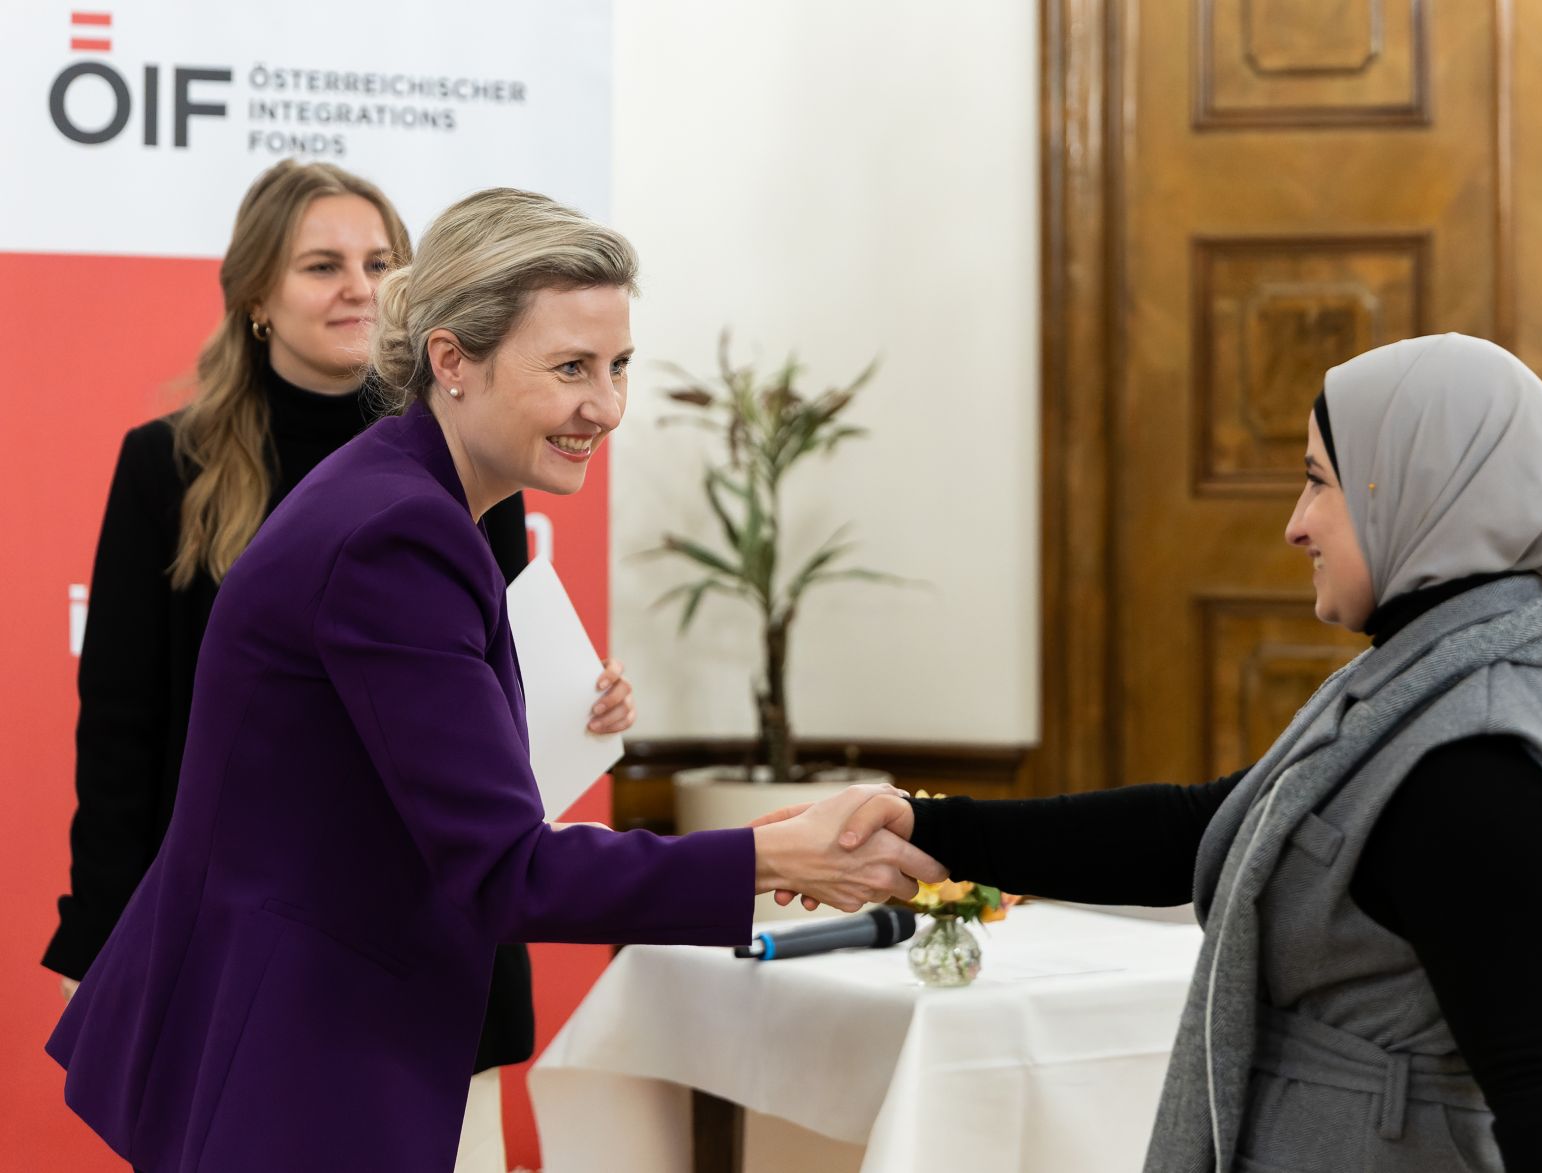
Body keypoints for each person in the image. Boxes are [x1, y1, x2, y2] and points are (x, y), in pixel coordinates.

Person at [46, 186, 944, 1172]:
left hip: (298, 1028)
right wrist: (773, 861)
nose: (603, 406)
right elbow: (503, 872)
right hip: (302, 1056)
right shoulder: (401, 532)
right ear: (451, 361)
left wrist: (759, 847)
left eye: (617, 367)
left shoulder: (406, 493)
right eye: (569, 368)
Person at [824, 334, 1542, 1171]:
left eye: (1319, 480)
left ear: (1417, 490)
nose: (1295, 524)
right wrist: (927, 826)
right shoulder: (1422, 690)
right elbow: (1205, 826)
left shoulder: (1476, 763)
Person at [39, 160, 633, 1167]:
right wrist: (99, 931)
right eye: (323, 264)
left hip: (446, 913)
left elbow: (480, 687)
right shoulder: (168, 463)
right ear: (257, 294)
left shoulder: (466, 452)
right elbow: (125, 726)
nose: (359, 286)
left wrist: (575, 698)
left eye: (378, 261)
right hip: (271, 948)